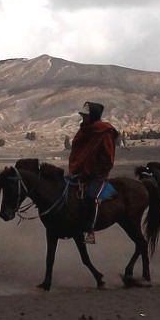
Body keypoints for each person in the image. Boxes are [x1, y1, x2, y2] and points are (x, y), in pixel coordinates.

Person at [68, 101, 119, 244]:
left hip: (97, 175)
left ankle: (90, 230)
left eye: (86, 115)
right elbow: (78, 152)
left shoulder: (104, 133)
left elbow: (108, 159)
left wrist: (92, 172)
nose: (83, 118)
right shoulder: (84, 131)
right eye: (82, 115)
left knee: (91, 196)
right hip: (80, 173)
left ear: (93, 116)